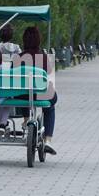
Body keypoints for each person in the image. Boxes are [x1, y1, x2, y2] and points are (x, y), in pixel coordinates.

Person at [16, 26, 58, 156]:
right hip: (40, 95)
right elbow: (50, 73)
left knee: (22, 91)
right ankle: (48, 140)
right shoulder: (43, 57)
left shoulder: (18, 57)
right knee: (50, 105)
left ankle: (26, 118)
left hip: (22, 96)